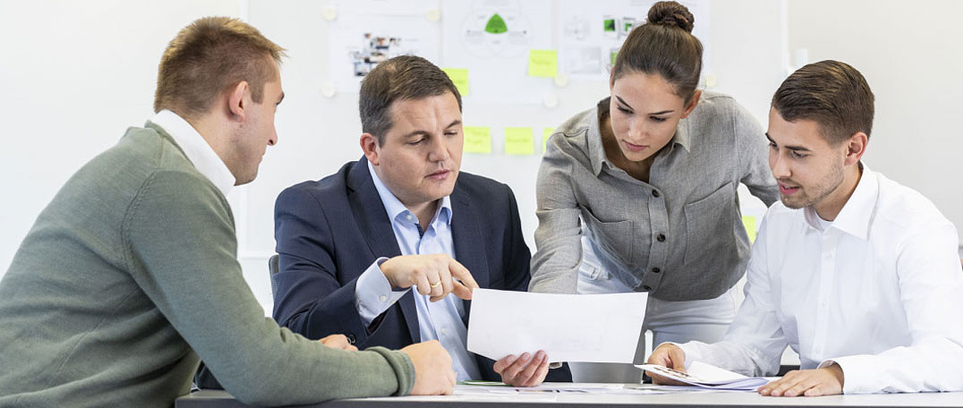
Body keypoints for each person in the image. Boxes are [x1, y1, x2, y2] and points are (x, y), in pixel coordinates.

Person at [0, 17, 455, 408]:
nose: (274, 135)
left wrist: (316, 360)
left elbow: (223, 354)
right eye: (274, 108)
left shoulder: (154, 167)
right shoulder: (168, 185)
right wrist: (406, 370)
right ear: (241, 101)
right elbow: (259, 371)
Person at [646, 60, 963, 396]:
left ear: (853, 149)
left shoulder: (915, 227)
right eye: (774, 146)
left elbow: (951, 357)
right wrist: (687, 359)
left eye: (798, 154)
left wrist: (841, 375)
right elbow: (752, 348)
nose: (778, 169)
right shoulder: (780, 223)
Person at [271, 55, 570, 387]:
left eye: (452, 132)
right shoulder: (314, 209)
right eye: (418, 140)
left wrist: (532, 368)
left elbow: (533, 333)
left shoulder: (493, 203)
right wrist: (385, 279)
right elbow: (296, 344)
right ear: (372, 148)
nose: (442, 153)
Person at [529, 1, 777, 382]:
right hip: (608, 286)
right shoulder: (568, 150)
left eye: (658, 118)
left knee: (699, 397)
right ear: (612, 80)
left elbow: (789, 201)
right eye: (624, 108)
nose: (635, 132)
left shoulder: (728, 125)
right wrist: (540, 344)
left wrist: (776, 293)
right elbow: (556, 258)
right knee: (596, 399)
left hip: (702, 294)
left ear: (690, 105)